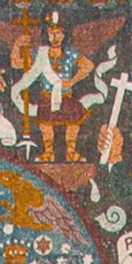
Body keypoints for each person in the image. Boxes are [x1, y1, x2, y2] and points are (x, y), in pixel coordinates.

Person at [11, 12, 96, 162]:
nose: (55, 37)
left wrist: (73, 81)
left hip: (66, 96)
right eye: (52, 33)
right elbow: (17, 63)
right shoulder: (41, 54)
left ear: (64, 35)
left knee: (73, 124)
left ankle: (71, 152)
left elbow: (88, 65)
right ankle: (48, 153)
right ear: (47, 34)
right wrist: (18, 45)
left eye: (59, 33)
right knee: (46, 125)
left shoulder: (70, 53)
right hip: (47, 96)